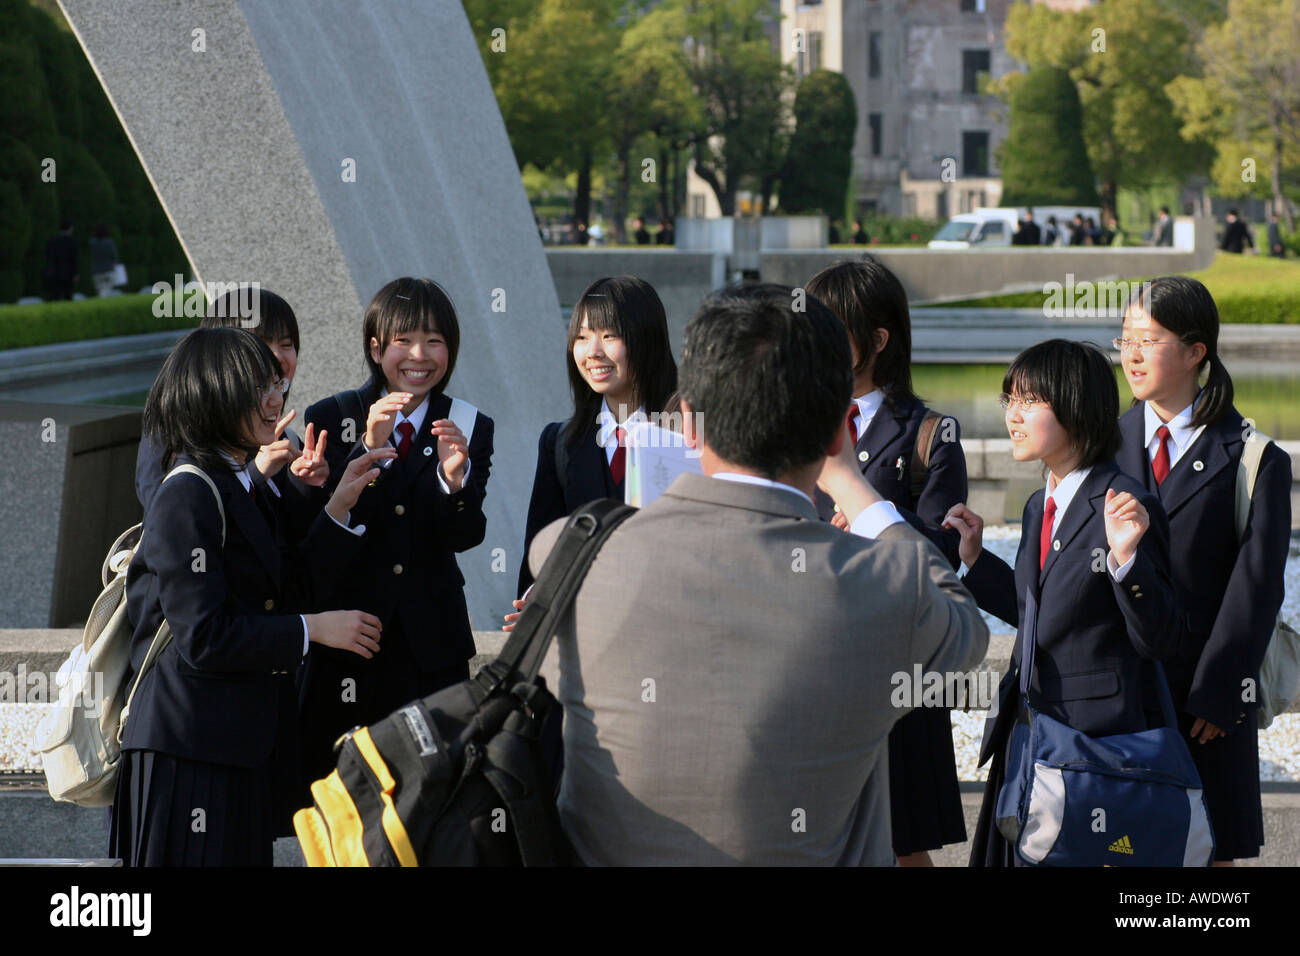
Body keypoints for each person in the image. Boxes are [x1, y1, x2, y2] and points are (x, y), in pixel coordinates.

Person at [526, 282, 988, 865]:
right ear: (838, 430)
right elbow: (961, 624)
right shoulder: (884, 588)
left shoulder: (570, 557)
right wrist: (850, 482)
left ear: (687, 420)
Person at [109, 327, 393, 866]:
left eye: (276, 384)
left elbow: (281, 590)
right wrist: (312, 629)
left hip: (232, 747)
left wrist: (337, 507)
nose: (275, 399)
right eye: (257, 387)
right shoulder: (188, 492)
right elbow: (205, 637)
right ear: (211, 395)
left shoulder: (239, 480)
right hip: (187, 750)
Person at [943, 339, 1178, 866]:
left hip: (1095, 749)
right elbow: (1040, 615)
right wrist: (976, 562)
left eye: (1029, 401)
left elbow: (1161, 636)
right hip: (1030, 739)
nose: (1013, 415)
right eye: (1009, 401)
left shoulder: (1124, 504)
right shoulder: (1038, 504)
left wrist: (1126, 562)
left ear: (1074, 406)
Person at [1115, 276, 1291, 864]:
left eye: (1149, 338)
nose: (1132, 353)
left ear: (1196, 352)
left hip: (1202, 702)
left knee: (1208, 858)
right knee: (1115, 847)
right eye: (1125, 338)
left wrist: (1222, 695)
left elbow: (1257, 588)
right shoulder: (1097, 445)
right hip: (1115, 691)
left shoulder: (1251, 456)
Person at [805, 256, 969, 866]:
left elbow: (942, 556)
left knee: (904, 845)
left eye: (830, 327)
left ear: (876, 341)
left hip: (895, 668)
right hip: (812, 658)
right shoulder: (791, 424)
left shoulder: (928, 433)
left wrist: (874, 525)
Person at [300, 277, 495, 791]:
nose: (419, 355)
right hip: (351, 644)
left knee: (433, 797)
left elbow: (466, 534)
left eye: (434, 341)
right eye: (403, 341)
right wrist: (368, 446)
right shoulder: (333, 417)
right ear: (375, 347)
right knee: (350, 801)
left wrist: (453, 481)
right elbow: (319, 542)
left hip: (434, 646)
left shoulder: (470, 423)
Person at [516, 274, 677, 598]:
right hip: (584, 630)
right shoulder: (559, 442)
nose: (593, 352)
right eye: (581, 337)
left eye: (609, 335)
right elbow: (539, 552)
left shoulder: (687, 435)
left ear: (647, 340)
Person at [134, 288, 327, 541]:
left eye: (287, 344)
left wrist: (313, 486)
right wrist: (255, 474)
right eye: (261, 343)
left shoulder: (287, 438)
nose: (277, 357)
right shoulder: (174, 433)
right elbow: (171, 528)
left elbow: (293, 552)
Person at [44, 219, 78, 300]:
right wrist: (76, 273)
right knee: (68, 295)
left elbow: (48, 256)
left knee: (55, 296)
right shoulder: (72, 241)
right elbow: (74, 258)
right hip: (68, 271)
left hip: (54, 271)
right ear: (70, 228)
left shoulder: (52, 240)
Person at [89, 224, 118, 297]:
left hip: (96, 271)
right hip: (108, 270)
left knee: (100, 291)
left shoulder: (92, 243)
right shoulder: (109, 243)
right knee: (107, 291)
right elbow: (114, 256)